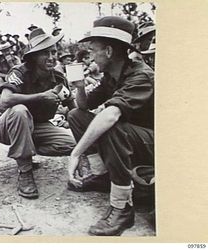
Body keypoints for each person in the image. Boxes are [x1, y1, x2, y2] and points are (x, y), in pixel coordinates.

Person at [67, 16, 154, 236]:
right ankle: (106, 175)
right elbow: (84, 107)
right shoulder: (112, 74)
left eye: (93, 51)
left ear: (108, 51)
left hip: (155, 143)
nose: (91, 57)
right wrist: (79, 88)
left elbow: (112, 114)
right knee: (76, 115)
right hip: (133, 138)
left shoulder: (141, 75)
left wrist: (75, 154)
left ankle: (122, 207)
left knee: (113, 126)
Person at [0, 27, 77, 199]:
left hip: (37, 127)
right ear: (34, 56)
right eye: (45, 53)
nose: (52, 57)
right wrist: (41, 97)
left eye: (53, 52)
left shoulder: (59, 78)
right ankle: (25, 171)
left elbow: (73, 109)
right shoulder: (20, 72)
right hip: (5, 125)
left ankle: (26, 150)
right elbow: (5, 100)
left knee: (75, 145)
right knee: (20, 110)